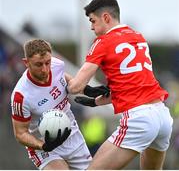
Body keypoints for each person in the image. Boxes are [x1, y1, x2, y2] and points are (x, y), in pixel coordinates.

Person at [67, 0, 173, 170]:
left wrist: (62, 76)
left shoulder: (103, 41)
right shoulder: (138, 37)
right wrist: (95, 101)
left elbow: (75, 86)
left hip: (140, 119)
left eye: (93, 21)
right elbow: (133, 88)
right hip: (162, 116)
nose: (91, 27)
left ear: (106, 17)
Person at [10, 39, 109, 170]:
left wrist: (86, 89)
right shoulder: (21, 96)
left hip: (72, 136)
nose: (45, 69)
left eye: (47, 62)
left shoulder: (57, 65)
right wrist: (43, 146)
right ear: (26, 62)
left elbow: (63, 78)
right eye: (39, 64)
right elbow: (20, 133)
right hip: (45, 148)